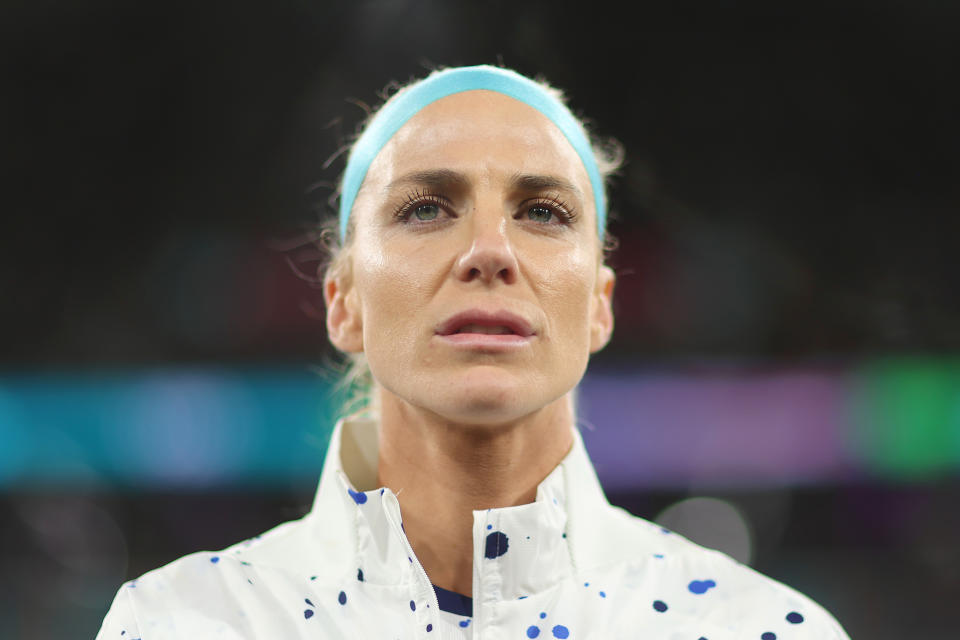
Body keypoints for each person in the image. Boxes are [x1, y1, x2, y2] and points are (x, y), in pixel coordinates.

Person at [96, 64, 849, 639]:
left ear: (599, 305)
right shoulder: (180, 623)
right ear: (343, 301)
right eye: (426, 207)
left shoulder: (758, 629)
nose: (489, 251)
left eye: (543, 212)